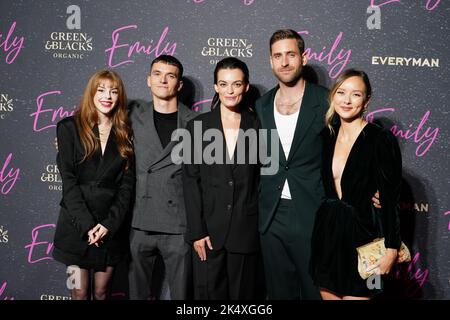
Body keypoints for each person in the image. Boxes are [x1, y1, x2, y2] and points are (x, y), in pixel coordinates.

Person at [309, 69, 402, 300]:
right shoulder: (326, 136)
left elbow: (390, 200)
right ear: (333, 96)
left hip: (365, 239)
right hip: (328, 234)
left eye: (356, 94)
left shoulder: (380, 140)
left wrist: (391, 249)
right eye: (341, 92)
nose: (347, 100)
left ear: (366, 100)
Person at [254, 29, 329, 300]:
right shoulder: (260, 105)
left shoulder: (326, 100)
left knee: (315, 292)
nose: (284, 62)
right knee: (278, 293)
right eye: (277, 56)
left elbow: (349, 148)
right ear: (270, 61)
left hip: (312, 211)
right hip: (271, 215)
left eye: (290, 54)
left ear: (304, 58)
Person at [182, 57, 261, 300]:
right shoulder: (196, 126)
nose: (230, 91)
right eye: (224, 84)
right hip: (207, 234)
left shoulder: (258, 127)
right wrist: (196, 231)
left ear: (246, 87)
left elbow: (261, 181)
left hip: (245, 231)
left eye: (236, 84)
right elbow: (190, 180)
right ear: (216, 87)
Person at [53, 70, 135, 300]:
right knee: (77, 292)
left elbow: (127, 187)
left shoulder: (126, 133)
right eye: (101, 90)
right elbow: (68, 183)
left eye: (113, 91)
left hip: (109, 228)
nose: (107, 96)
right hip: (75, 227)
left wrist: (108, 225)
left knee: (101, 292)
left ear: (120, 97)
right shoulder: (68, 128)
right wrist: (87, 225)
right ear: (91, 93)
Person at [128, 55, 197, 300]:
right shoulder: (132, 116)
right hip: (139, 221)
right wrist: (67, 137)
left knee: (182, 296)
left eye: (170, 75)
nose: (163, 80)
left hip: (178, 224)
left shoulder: (195, 122)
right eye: (157, 74)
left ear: (179, 85)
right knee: (136, 295)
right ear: (148, 80)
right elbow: (95, 119)